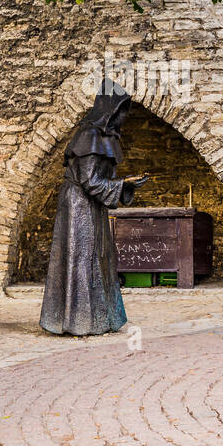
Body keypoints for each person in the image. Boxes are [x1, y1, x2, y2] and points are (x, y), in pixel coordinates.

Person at [40, 81, 150, 336]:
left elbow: (97, 181)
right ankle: (77, 320)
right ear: (110, 110)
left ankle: (97, 318)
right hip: (79, 205)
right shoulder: (89, 136)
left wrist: (125, 184)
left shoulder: (103, 137)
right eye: (122, 111)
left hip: (90, 205)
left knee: (95, 258)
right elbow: (90, 181)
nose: (124, 117)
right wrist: (122, 184)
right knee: (82, 258)